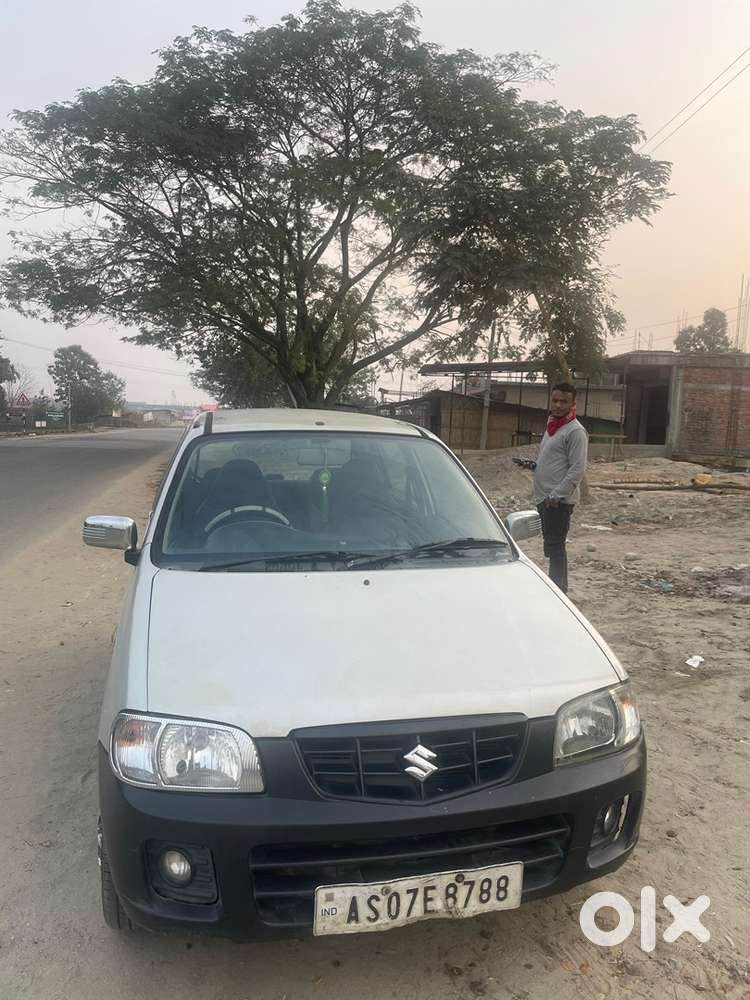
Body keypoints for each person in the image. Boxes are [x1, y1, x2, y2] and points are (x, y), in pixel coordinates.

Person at [530, 382, 588, 594]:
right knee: (552, 547)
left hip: (557, 501)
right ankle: (556, 589)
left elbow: (577, 469)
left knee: (555, 548)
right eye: (555, 400)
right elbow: (554, 460)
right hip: (545, 498)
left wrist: (556, 496)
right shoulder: (554, 426)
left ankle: (558, 592)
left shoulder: (575, 431)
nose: (558, 405)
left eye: (564, 401)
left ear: (573, 403)